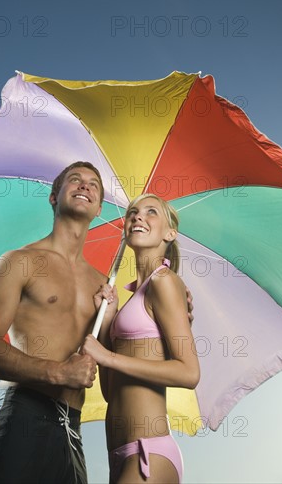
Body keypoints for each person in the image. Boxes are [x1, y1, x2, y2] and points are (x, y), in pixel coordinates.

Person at [0, 162, 107, 484]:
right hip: (22, 412)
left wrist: (163, 302)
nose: (85, 186)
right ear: (54, 197)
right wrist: (58, 372)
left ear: (99, 209)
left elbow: (115, 362)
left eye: (93, 184)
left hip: (71, 427)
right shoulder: (18, 262)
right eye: (75, 180)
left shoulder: (103, 286)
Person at [82, 193, 200, 483]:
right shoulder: (134, 295)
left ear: (170, 233)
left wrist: (106, 355)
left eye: (151, 212)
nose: (137, 216)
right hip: (121, 453)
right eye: (133, 212)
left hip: (149, 452)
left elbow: (189, 372)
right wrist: (108, 321)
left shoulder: (164, 281)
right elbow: (113, 392)